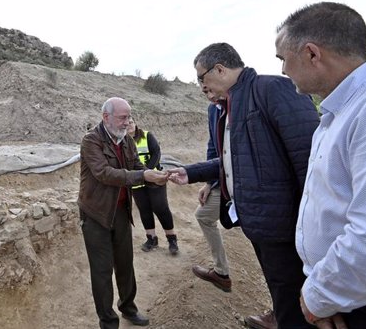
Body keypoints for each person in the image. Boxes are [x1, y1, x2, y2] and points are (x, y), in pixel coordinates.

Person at [166, 43, 320, 329]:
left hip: (286, 228)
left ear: (220, 69)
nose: (201, 86)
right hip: (262, 226)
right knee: (283, 297)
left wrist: (313, 228)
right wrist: (191, 173)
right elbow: (233, 163)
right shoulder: (229, 108)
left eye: (202, 78)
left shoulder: (272, 90)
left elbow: (311, 162)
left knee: (295, 310)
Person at [275, 2, 366, 329]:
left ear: (312, 54)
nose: (283, 70)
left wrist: (318, 298)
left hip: (365, 307)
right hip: (345, 296)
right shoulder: (342, 111)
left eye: (283, 58)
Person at [79, 97, 168, 329]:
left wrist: (156, 174)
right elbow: (105, 173)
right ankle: (108, 322)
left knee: (125, 264)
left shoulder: (126, 141)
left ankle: (128, 308)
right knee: (102, 271)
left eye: (129, 117)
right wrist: (143, 176)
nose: (127, 122)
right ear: (105, 117)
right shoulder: (91, 141)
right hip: (96, 214)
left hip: (120, 211)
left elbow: (136, 166)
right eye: (122, 117)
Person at [190, 99, 233, 292]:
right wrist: (209, 182)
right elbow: (213, 147)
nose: (205, 91)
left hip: (249, 183)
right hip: (222, 178)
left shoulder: (243, 102)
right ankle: (221, 272)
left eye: (206, 85)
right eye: (202, 86)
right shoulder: (213, 110)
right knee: (203, 215)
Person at [127, 118, 179, 255]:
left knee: (160, 207)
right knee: (144, 209)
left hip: (155, 179)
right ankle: (151, 238)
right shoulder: (122, 141)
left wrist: (147, 171)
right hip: (136, 181)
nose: (129, 125)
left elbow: (156, 153)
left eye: (131, 122)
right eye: (126, 123)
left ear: (135, 123)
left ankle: (172, 239)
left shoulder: (146, 135)